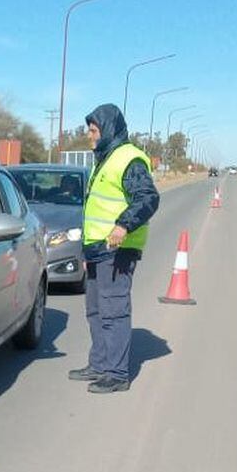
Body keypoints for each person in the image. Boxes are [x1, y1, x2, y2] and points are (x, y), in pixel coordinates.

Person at [69, 104, 159, 393]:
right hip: (97, 249)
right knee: (95, 310)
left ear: (107, 130)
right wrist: (86, 252)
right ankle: (99, 363)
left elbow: (148, 198)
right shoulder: (103, 159)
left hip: (117, 250)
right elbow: (96, 209)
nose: (89, 136)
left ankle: (117, 373)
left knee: (113, 311)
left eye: (93, 130)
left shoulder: (129, 159)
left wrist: (123, 226)